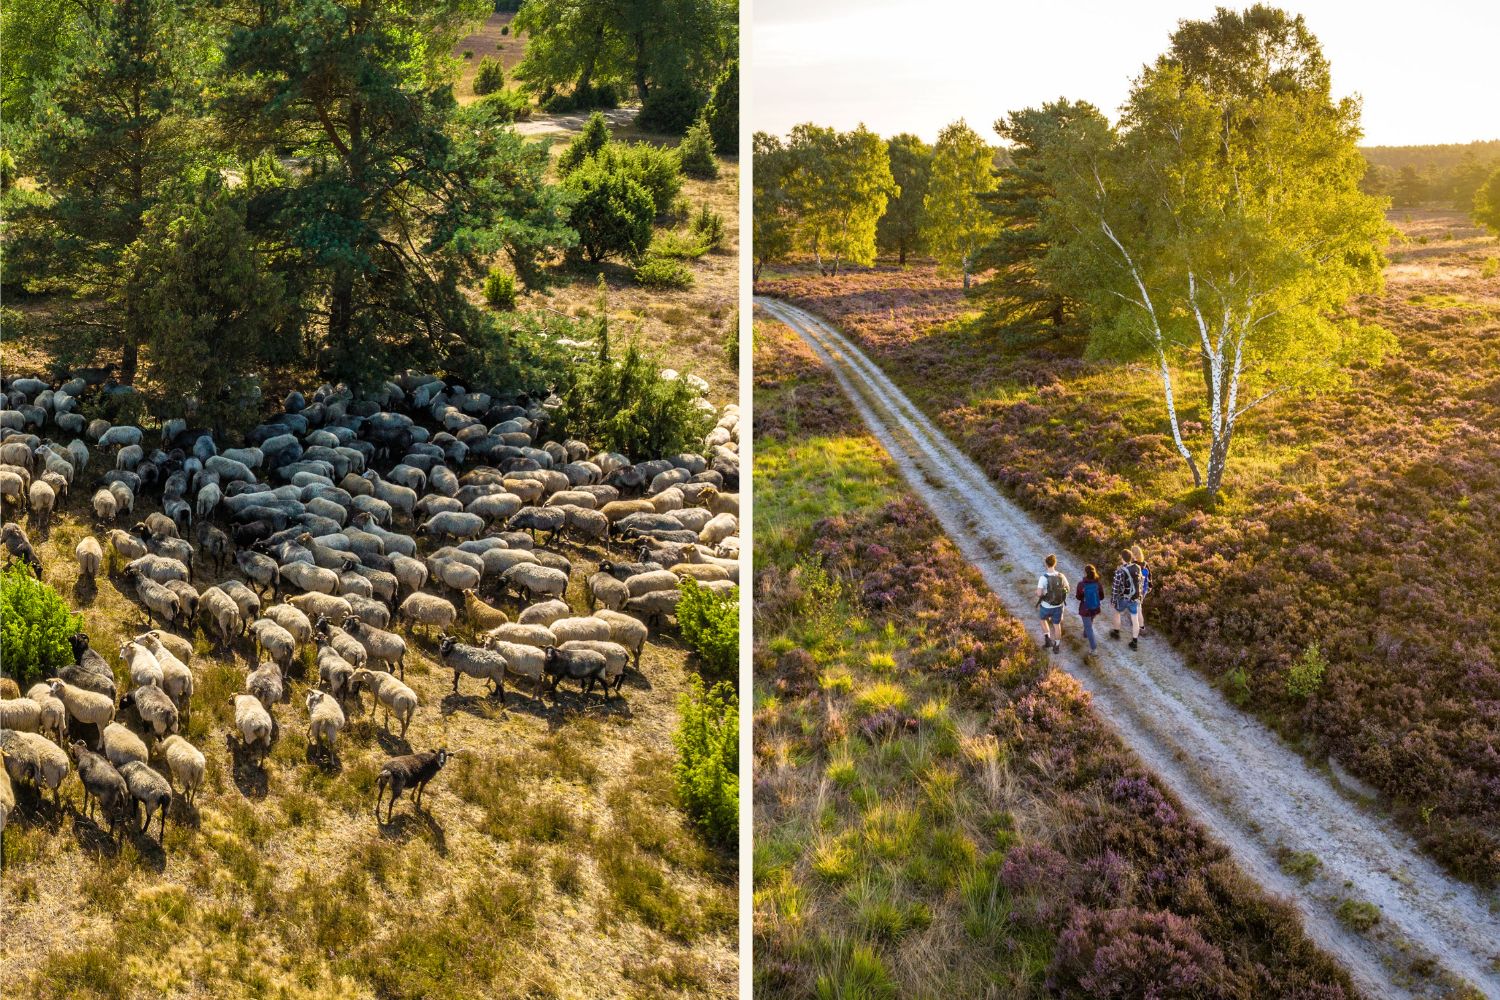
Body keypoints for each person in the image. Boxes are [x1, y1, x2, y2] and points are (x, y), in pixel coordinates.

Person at [1035, 553, 1069, 653]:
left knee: (1042, 619)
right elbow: (1068, 589)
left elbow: (1039, 594)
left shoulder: (1043, 578)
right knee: (1057, 625)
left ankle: (1048, 640)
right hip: (1059, 606)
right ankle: (1057, 646)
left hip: (1046, 606)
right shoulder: (1061, 576)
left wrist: (1038, 592)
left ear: (1046, 564)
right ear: (1055, 563)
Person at [1110, 549, 1141, 650]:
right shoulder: (1137, 567)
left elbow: (1115, 587)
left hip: (1124, 598)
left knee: (1117, 612)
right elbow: (1139, 582)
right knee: (1135, 619)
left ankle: (1116, 632)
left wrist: (1113, 601)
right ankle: (1134, 642)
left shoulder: (1120, 571)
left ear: (1122, 558)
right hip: (1135, 598)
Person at [1076, 564, 1104, 653]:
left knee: (1089, 628)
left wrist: (1085, 598)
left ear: (1085, 573)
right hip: (1095, 608)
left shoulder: (1081, 584)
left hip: (1085, 609)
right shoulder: (1098, 584)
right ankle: (1085, 634)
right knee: (1090, 620)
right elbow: (1102, 597)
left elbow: (1078, 597)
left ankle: (1094, 649)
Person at [1131, 545, 1151, 636]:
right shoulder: (1145, 563)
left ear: (1134, 554)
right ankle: (1139, 625)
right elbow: (1150, 577)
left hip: (1137, 590)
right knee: (1138, 607)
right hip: (1144, 589)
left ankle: (1141, 628)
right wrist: (1149, 587)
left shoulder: (1133, 565)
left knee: (1138, 609)